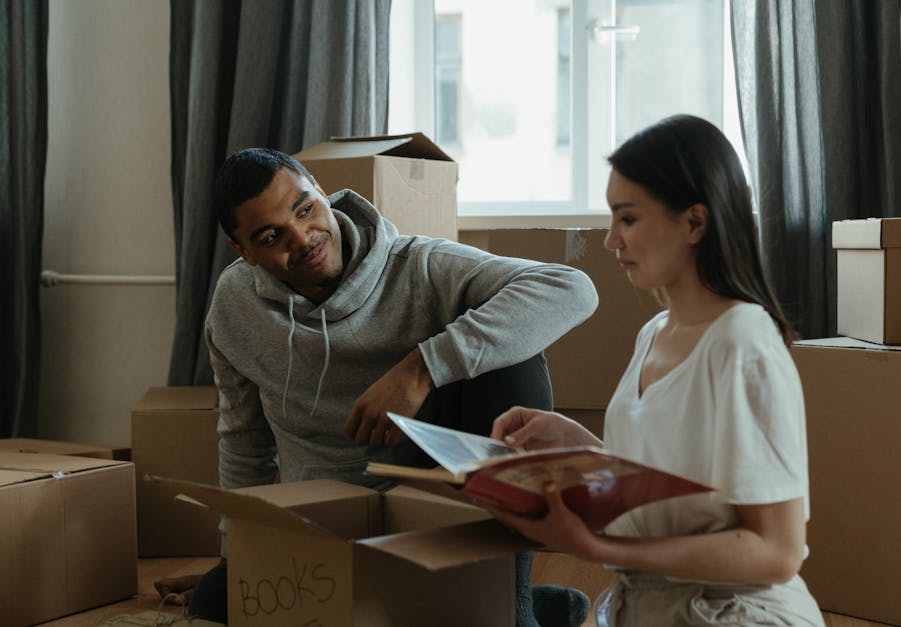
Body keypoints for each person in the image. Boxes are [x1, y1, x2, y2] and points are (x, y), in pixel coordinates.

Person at [154, 147, 599, 625]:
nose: (303, 238)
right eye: (271, 236)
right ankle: (531, 603)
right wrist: (237, 558)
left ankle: (516, 610)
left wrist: (421, 368)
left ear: (323, 192)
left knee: (510, 356)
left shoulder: (420, 265)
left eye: (305, 209)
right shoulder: (234, 305)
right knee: (216, 603)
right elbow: (243, 440)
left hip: (435, 504)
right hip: (328, 516)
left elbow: (571, 287)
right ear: (245, 252)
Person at [481, 114, 826, 627]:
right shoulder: (655, 332)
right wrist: (576, 443)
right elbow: (677, 488)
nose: (610, 240)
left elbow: (778, 553)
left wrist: (596, 545)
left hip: (732, 614)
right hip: (646, 608)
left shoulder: (743, 340)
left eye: (628, 218)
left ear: (694, 222)